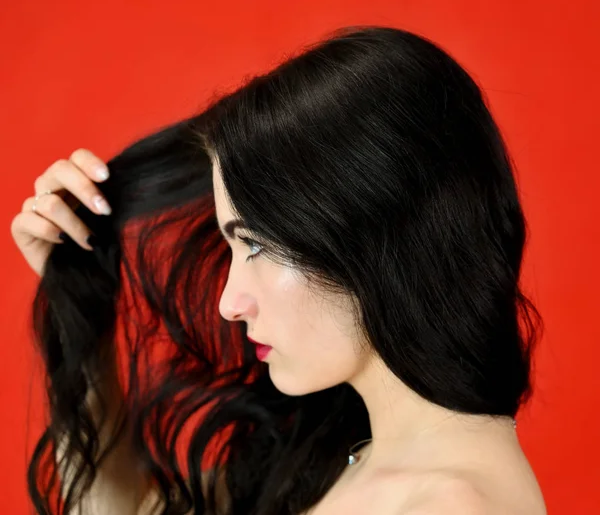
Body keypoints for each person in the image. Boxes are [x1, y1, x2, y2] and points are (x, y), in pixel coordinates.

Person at [11, 26, 547, 514]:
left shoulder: (451, 505)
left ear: (371, 230)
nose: (229, 302)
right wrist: (73, 294)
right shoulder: (345, 460)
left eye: (258, 246)